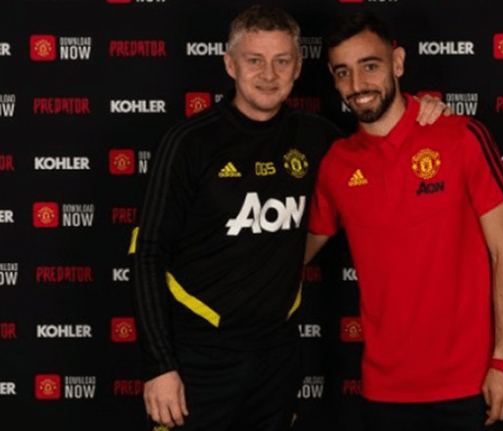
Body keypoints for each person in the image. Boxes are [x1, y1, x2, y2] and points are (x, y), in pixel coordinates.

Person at [130, 5, 449, 431]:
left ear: (298, 67)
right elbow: (148, 254)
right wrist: (159, 366)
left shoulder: (318, 138)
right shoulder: (188, 142)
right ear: (230, 64)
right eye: (254, 60)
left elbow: (381, 142)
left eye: (282, 61)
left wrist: (427, 113)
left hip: (277, 360)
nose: (268, 74)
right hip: (197, 360)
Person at [305, 12, 503, 431]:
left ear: (398, 62)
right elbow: (292, 252)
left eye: (370, 66)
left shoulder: (461, 136)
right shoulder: (336, 164)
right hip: (384, 392)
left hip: (472, 385)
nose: (357, 85)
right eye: (343, 72)